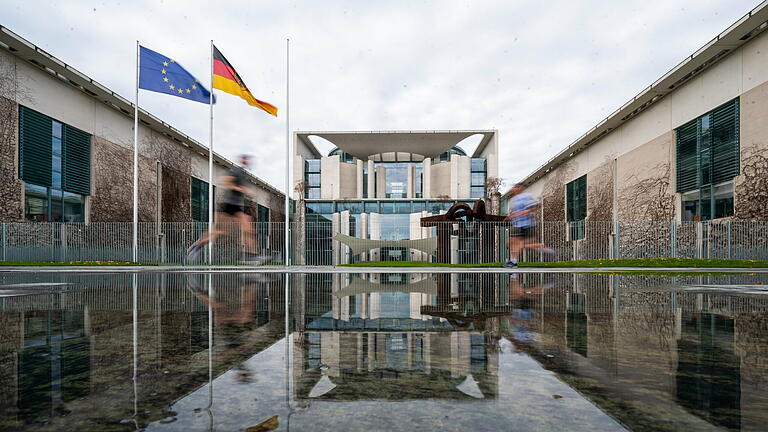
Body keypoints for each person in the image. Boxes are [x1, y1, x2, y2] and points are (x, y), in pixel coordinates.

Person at [187, 154, 268, 264]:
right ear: (241, 160)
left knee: (249, 229)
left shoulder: (243, 174)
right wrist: (240, 189)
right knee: (220, 231)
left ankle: (250, 255)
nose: (247, 162)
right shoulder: (236, 171)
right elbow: (224, 181)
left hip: (237, 207)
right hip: (229, 205)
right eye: (245, 159)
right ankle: (197, 246)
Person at [502, 183, 553, 268]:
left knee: (522, 244)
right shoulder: (513, 199)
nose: (513, 189)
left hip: (527, 224)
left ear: (520, 188)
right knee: (512, 242)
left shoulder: (527, 196)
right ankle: (513, 262)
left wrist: (522, 213)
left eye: (515, 187)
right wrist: (509, 216)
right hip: (518, 225)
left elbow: (536, 206)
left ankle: (550, 252)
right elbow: (514, 211)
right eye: (513, 187)